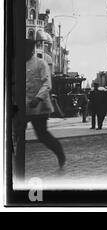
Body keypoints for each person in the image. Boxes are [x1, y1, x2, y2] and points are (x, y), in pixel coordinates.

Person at [25, 38, 65, 168]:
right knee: (16, 132)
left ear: (31, 50)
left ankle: (59, 152)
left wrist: (38, 98)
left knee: (42, 135)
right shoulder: (18, 64)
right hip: (23, 105)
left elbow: (47, 84)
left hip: (39, 107)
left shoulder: (40, 63)